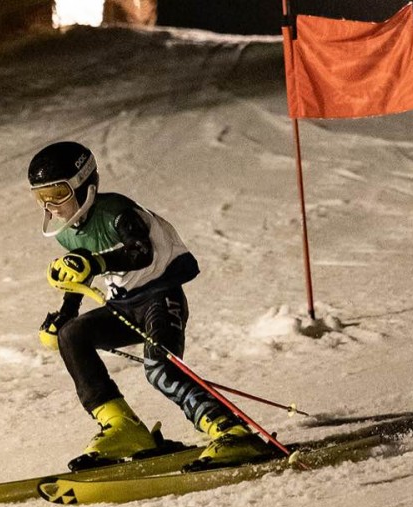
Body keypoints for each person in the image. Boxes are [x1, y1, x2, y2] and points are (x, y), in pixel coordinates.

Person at [28, 141, 276, 471]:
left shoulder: (117, 212)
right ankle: (123, 427)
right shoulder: (69, 232)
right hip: (124, 305)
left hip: (160, 297)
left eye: (58, 193)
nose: (50, 206)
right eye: (41, 197)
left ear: (83, 184)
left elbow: (140, 252)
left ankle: (230, 431)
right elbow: (81, 271)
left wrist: (96, 263)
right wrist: (65, 314)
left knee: (160, 369)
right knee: (72, 336)